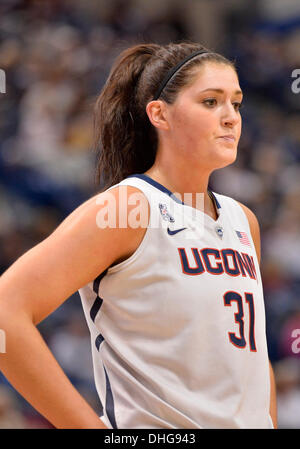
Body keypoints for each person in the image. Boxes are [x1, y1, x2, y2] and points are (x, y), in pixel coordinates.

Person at [0, 42, 277, 429]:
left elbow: (251, 355)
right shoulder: (128, 210)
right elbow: (5, 311)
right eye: (211, 102)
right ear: (159, 114)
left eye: (237, 103)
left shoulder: (242, 221)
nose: (230, 117)